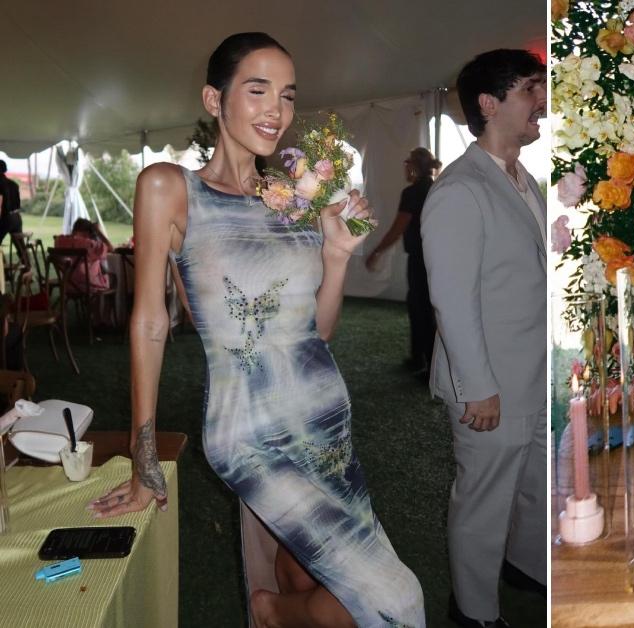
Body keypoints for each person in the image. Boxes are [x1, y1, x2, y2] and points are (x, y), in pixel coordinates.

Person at [88, 33, 423, 628]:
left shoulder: (292, 201)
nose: (277, 109)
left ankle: (271, 609)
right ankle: (272, 612)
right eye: (258, 89)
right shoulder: (170, 187)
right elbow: (149, 321)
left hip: (325, 421)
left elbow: (314, 335)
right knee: (395, 601)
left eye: (288, 95)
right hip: (250, 433)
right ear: (214, 99)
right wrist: (144, 457)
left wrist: (338, 257)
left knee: (313, 573)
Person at [421, 49, 546, 628]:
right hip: (490, 380)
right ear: (490, 105)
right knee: (483, 502)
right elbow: (453, 301)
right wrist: (478, 389)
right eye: (529, 88)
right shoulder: (458, 190)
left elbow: (513, 268)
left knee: (530, 486)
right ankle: (472, 609)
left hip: (532, 371)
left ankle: (524, 565)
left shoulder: (525, 179)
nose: (541, 100)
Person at [366, 147, 442, 376]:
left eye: (408, 164)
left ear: (413, 166)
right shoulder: (437, 188)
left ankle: (429, 368)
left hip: (420, 261)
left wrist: (377, 251)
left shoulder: (412, 193)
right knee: (423, 309)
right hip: (436, 258)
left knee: (421, 311)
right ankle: (419, 358)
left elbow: (398, 228)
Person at [55, 218, 114, 293]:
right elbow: (111, 248)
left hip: (67, 283)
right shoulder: (90, 244)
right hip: (87, 285)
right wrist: (98, 231)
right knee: (112, 278)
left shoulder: (59, 240)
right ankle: (100, 304)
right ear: (88, 232)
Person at [0, 160, 22, 246]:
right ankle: (25, 259)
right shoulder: (14, 184)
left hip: (5, 218)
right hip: (16, 217)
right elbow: (17, 204)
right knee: (20, 246)